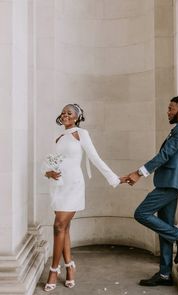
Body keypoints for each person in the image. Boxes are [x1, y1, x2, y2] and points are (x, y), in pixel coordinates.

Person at [42, 104, 126, 292]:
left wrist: (113, 178)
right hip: (58, 187)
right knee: (64, 228)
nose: (65, 115)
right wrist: (48, 173)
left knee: (58, 226)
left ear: (77, 117)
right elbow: (48, 161)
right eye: (63, 112)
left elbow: (95, 158)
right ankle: (70, 266)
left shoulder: (81, 133)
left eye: (69, 113)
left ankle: (54, 270)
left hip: (73, 186)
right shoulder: (57, 137)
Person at [125, 96, 178, 286]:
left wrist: (140, 172)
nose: (168, 112)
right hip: (167, 181)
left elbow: (165, 154)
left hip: (172, 183)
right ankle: (164, 274)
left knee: (141, 213)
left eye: (171, 108)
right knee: (164, 226)